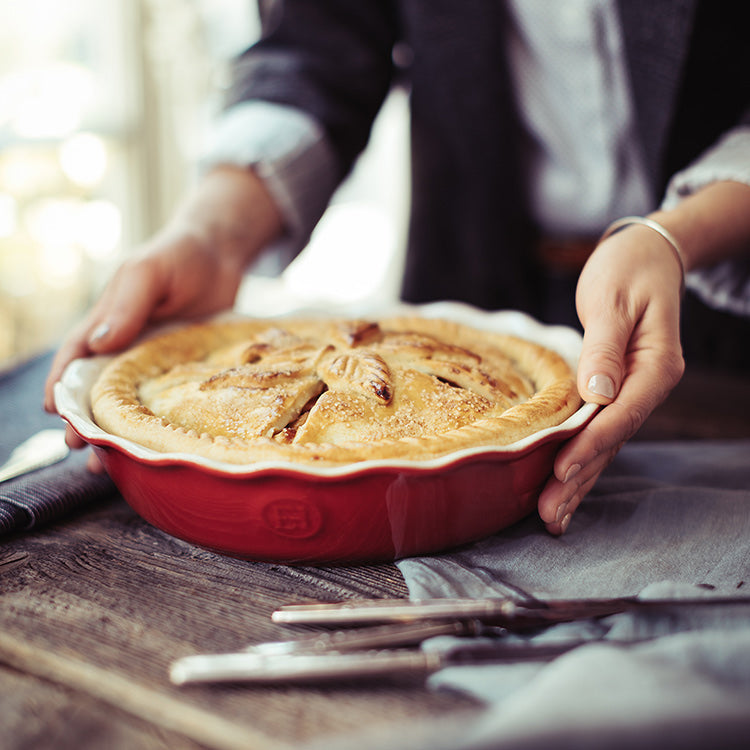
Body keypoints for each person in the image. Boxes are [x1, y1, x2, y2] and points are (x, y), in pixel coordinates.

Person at [44, 1, 750, 536]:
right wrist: (210, 234)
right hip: (475, 267)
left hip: (710, 304)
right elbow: (321, 39)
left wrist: (674, 235)